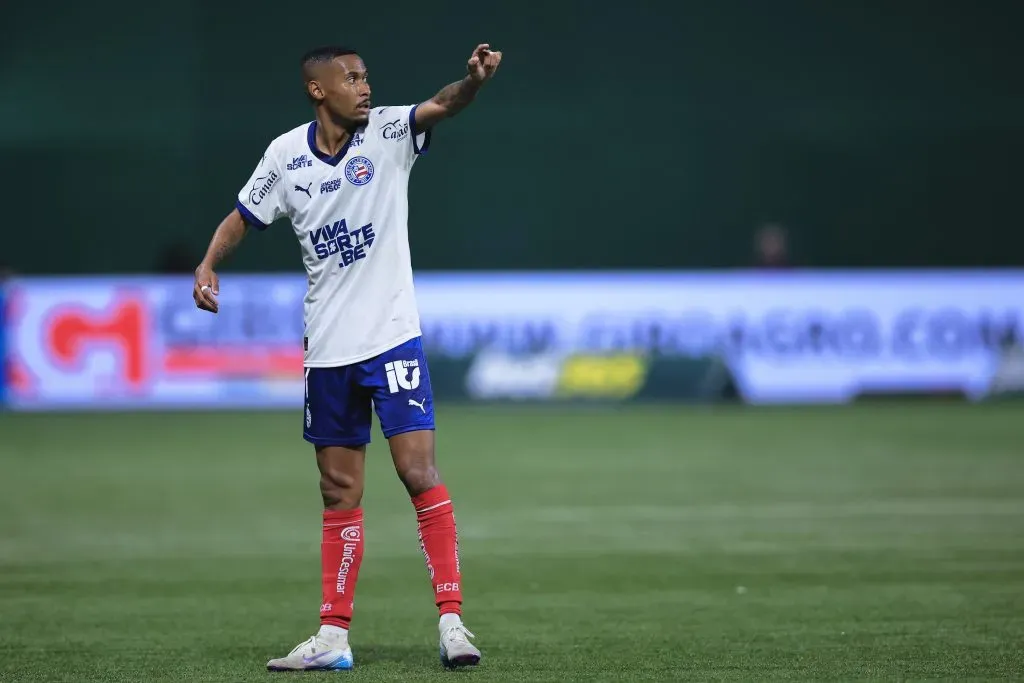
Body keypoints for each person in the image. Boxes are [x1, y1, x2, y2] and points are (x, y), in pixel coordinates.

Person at [192, 43, 502, 672]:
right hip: (328, 351)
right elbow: (241, 218)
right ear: (318, 90)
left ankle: (452, 623)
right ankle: (333, 637)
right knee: (339, 493)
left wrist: (472, 82)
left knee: (419, 473)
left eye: (366, 78)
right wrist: (207, 263)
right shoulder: (285, 156)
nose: (365, 88)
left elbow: (444, 103)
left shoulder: (388, 131)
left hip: (392, 338)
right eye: (352, 79)